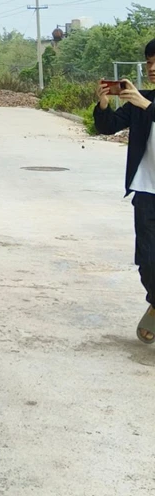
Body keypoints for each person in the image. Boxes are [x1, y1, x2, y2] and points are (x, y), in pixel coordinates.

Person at [93, 39, 155, 343]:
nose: (152, 68)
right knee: (147, 261)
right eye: (149, 62)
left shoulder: (145, 103)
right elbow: (107, 127)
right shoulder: (140, 101)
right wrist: (104, 104)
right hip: (146, 191)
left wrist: (146, 105)